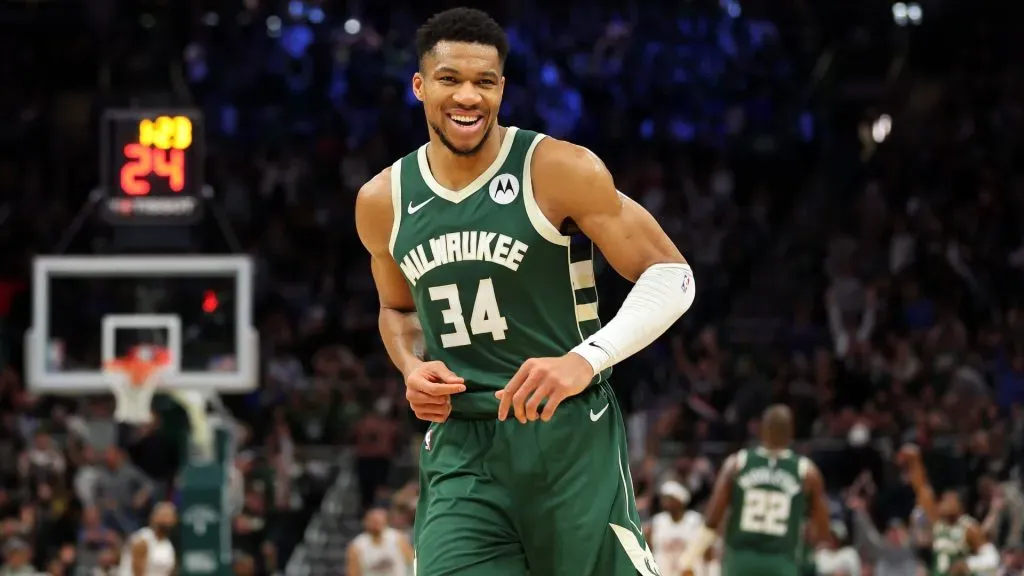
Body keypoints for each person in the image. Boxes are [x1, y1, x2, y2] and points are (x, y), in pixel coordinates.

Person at [354, 7, 695, 575]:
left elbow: (672, 275)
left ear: (502, 88)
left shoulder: (559, 169)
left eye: (484, 82)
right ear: (419, 86)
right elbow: (396, 309)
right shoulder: (382, 200)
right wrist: (410, 366)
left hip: (566, 434)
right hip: (462, 445)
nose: (468, 96)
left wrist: (587, 360)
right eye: (450, 80)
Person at [677, 405, 832, 576]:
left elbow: (713, 519)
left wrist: (689, 558)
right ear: (791, 432)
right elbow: (823, 530)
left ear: (762, 430)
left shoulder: (737, 464)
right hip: (781, 563)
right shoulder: (807, 472)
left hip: (739, 563)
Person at [897, 445, 999, 576]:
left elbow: (992, 558)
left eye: (949, 499)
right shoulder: (939, 522)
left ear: (960, 505)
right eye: (944, 499)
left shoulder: (969, 527)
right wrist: (914, 461)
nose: (944, 503)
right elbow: (922, 489)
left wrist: (968, 564)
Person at [646, 481, 716, 576]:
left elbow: (709, 553)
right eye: (664, 499)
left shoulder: (696, 521)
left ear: (680, 501)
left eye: (670, 499)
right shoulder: (657, 522)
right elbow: (647, 551)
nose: (665, 502)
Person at [346, 508, 414, 576]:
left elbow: (412, 563)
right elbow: (353, 573)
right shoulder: (357, 546)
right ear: (365, 522)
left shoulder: (398, 538)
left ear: (386, 522)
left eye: (379, 521)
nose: (376, 525)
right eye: (373, 521)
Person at [118, 502, 176, 576]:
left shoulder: (168, 545)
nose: (167, 520)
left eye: (170, 516)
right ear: (154, 517)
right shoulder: (142, 540)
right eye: (164, 515)